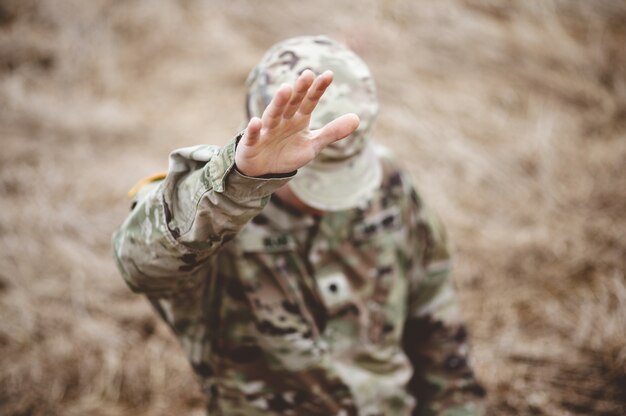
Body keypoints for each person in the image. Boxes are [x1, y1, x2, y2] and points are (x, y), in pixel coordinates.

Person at [112, 35, 485, 416]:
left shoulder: (390, 186)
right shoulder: (208, 210)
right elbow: (138, 265)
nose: (325, 204)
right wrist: (237, 182)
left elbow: (436, 320)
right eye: (309, 176)